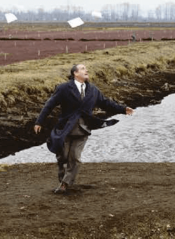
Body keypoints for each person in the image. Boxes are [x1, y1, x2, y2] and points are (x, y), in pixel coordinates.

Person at [34, 63, 135, 194]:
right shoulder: (63, 88)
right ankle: (63, 180)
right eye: (83, 69)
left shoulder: (93, 90)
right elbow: (49, 105)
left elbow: (106, 103)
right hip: (65, 128)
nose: (86, 70)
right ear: (75, 73)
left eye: (86, 69)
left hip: (83, 128)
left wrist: (122, 109)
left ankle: (65, 184)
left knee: (75, 157)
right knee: (62, 157)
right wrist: (39, 121)